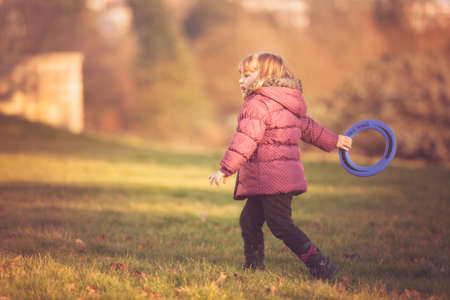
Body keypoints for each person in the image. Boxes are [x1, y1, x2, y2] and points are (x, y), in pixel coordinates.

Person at [209, 53, 352, 280]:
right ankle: (254, 266)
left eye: (246, 75)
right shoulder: (287, 102)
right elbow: (309, 128)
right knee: (249, 221)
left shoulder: (257, 105)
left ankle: (320, 264)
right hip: (270, 178)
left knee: (280, 225)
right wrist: (334, 140)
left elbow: (245, 140)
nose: (240, 80)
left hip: (271, 178)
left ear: (264, 77)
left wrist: (225, 169)